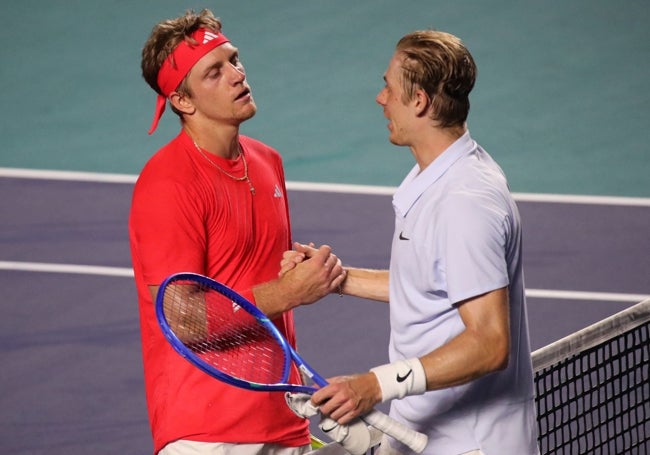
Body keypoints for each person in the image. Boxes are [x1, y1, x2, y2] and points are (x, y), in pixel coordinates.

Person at [283, 30, 539, 454]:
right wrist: (337, 278)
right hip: (427, 436)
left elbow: (490, 343)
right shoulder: (437, 178)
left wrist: (375, 384)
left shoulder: (463, 204)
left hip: (469, 444)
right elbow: (431, 285)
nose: (380, 99)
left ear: (419, 101)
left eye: (388, 86)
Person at [129, 9, 346, 455]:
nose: (236, 75)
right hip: (207, 434)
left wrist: (298, 269)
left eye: (234, 60)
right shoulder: (168, 183)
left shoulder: (268, 161)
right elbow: (182, 320)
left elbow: (256, 273)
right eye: (215, 71)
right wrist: (288, 293)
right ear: (183, 101)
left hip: (283, 418)